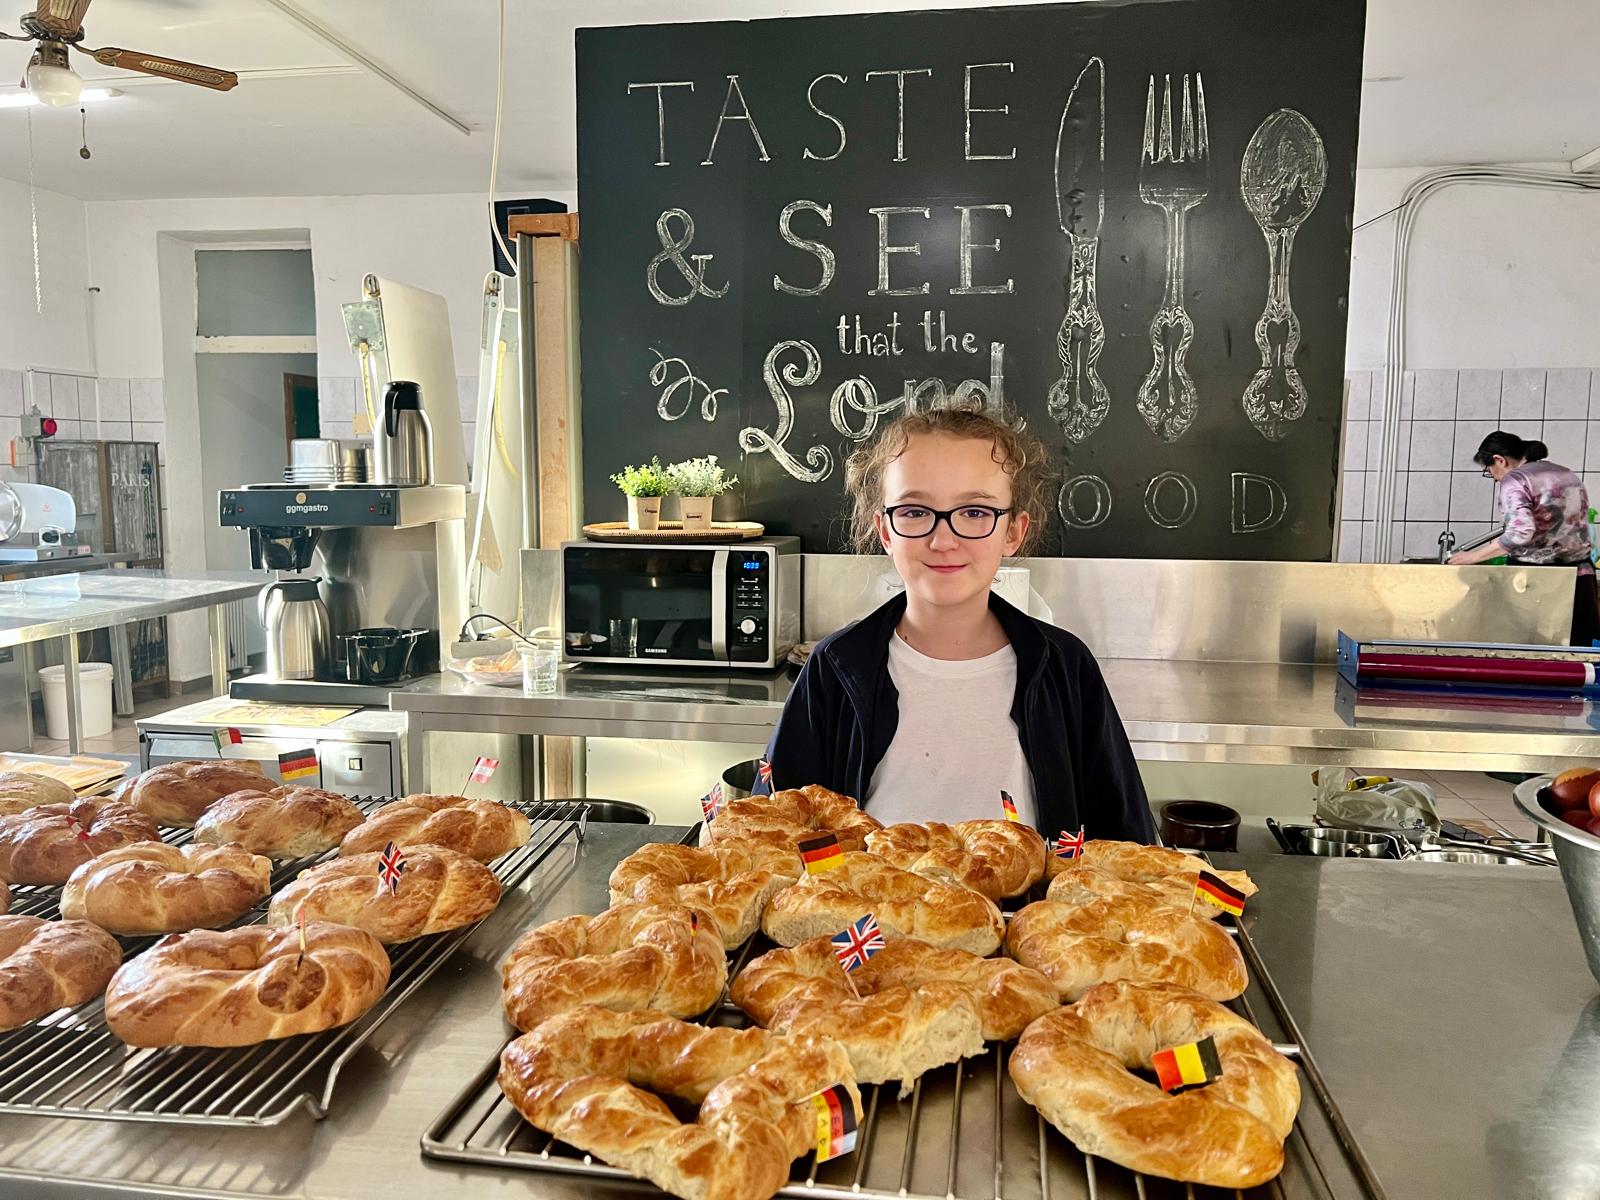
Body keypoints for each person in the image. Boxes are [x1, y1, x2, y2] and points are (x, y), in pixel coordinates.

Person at [753, 404, 1155, 842]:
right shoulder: (834, 668)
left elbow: (1124, 845)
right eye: (914, 512)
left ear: (1013, 532)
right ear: (885, 531)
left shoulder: (1065, 669)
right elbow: (773, 832)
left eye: (975, 513)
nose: (943, 540)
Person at [1451, 430, 1598, 646]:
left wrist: (1472, 557)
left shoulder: (1515, 479)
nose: (1494, 478)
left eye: (1489, 471)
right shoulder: (1567, 474)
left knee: (1532, 656)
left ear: (1499, 460)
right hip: (1581, 580)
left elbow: (1520, 532)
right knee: (1577, 657)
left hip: (1537, 583)